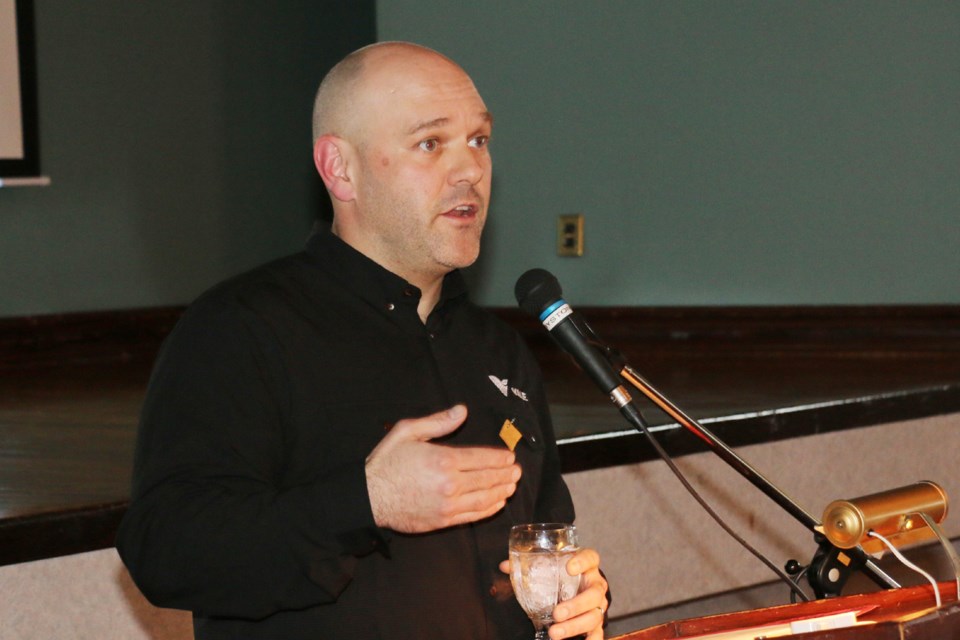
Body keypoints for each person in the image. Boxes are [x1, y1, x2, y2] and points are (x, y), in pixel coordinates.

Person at [117, 41, 608, 640]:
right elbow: (167, 551)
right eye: (431, 143)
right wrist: (366, 503)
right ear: (339, 168)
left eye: (479, 140)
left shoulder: (498, 350)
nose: (470, 171)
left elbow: (545, 538)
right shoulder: (243, 328)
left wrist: (582, 598)